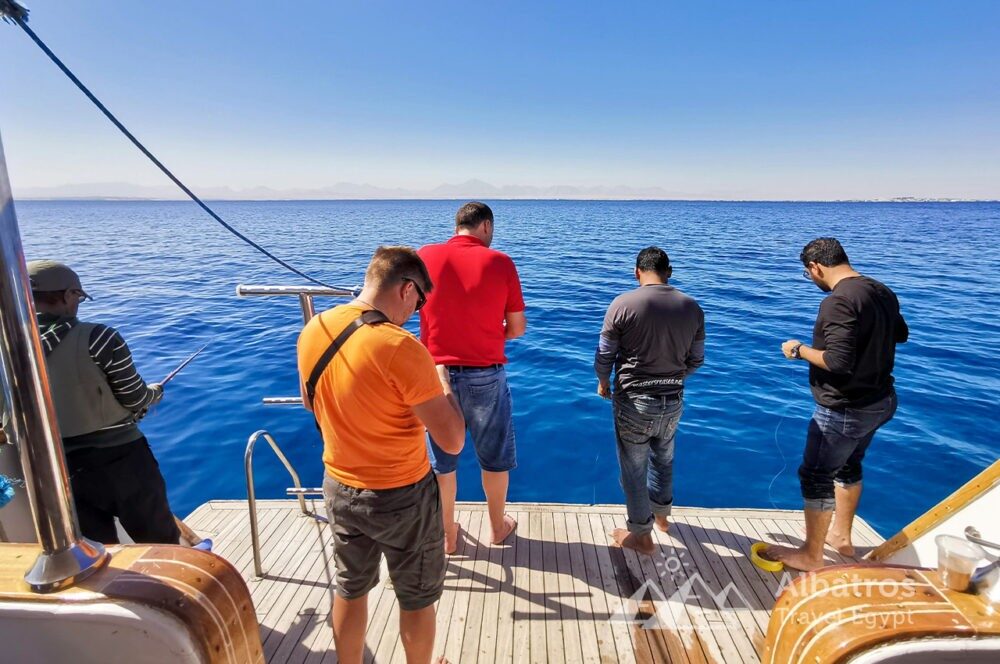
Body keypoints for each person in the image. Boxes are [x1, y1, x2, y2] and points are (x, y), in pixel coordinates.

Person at [297, 246, 465, 664]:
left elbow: (308, 402)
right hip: (401, 495)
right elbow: (453, 441)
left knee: (350, 588)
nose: (419, 310)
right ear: (407, 289)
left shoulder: (315, 327)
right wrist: (442, 381)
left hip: (339, 487)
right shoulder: (400, 346)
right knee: (416, 597)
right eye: (421, 301)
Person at [765, 238, 908, 571]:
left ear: (816, 267)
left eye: (808, 274)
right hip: (881, 401)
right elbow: (900, 334)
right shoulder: (881, 290)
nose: (811, 279)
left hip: (846, 408)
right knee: (849, 467)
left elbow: (838, 361)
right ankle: (841, 538)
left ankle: (811, 555)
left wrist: (798, 349)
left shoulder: (838, 301)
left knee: (815, 475)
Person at [26, 259, 180, 544]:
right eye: (78, 296)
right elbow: (135, 398)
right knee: (159, 541)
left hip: (59, 465)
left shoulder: (11, 344)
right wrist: (155, 393)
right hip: (121, 460)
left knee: (98, 550)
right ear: (69, 295)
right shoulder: (100, 337)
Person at [418, 202, 526, 554]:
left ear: (456, 226)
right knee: (493, 457)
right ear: (485, 226)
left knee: (441, 461)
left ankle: (447, 534)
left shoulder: (425, 256)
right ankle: (497, 527)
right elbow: (518, 328)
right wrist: (490, 334)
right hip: (485, 376)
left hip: (435, 375)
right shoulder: (500, 262)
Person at [595, 247, 705, 556]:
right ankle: (663, 518)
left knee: (634, 468)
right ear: (669, 271)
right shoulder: (692, 307)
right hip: (673, 400)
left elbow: (604, 353)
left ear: (636, 272)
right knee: (664, 459)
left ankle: (641, 537)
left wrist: (603, 382)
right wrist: (673, 379)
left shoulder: (623, 304)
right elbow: (696, 359)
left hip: (634, 400)